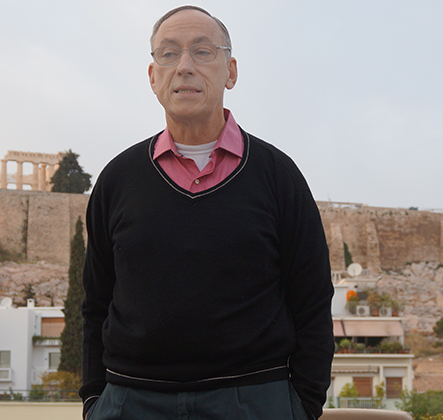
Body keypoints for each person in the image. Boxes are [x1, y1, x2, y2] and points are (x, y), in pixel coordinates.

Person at [80, 5, 334, 420]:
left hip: (255, 401)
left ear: (230, 71)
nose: (183, 67)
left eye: (202, 51)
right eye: (168, 53)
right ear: (152, 76)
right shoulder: (117, 179)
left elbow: (312, 298)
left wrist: (301, 406)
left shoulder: (278, 176)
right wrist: (95, 400)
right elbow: (96, 302)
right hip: (131, 402)